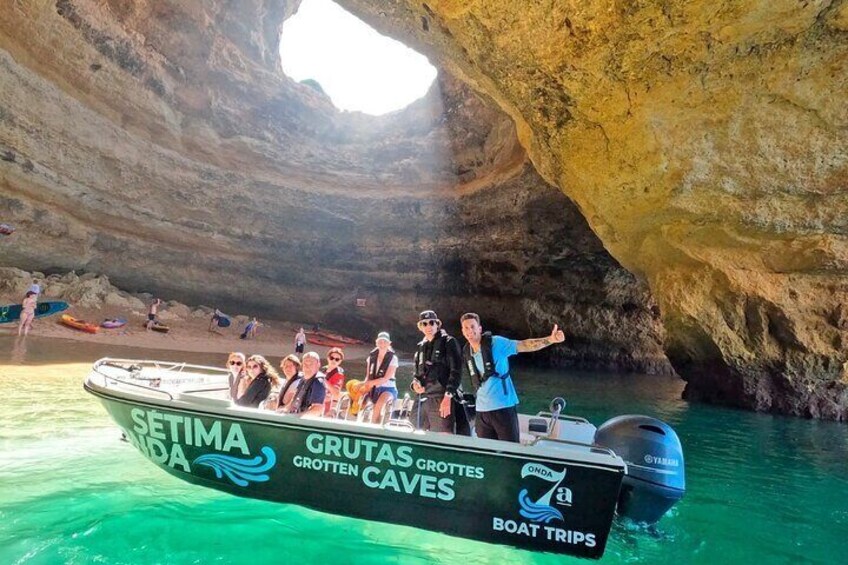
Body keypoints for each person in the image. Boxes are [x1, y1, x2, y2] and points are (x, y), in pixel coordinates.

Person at [460, 313, 565, 443]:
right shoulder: (467, 351)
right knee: (486, 451)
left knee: (509, 448)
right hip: (481, 410)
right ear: (462, 331)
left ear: (480, 328)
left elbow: (525, 345)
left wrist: (550, 339)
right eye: (466, 328)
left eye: (473, 326)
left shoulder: (496, 343)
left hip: (503, 407)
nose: (470, 330)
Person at [410, 310, 466, 434]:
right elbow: (417, 374)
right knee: (415, 430)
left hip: (441, 398)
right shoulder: (420, 347)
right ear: (420, 327)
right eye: (424, 324)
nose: (428, 326)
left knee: (443, 435)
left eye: (431, 323)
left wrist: (448, 397)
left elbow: (456, 371)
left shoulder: (449, 342)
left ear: (437, 324)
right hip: (422, 398)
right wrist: (415, 385)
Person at [357, 332, 398, 424]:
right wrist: (362, 384)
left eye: (385, 341)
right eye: (380, 341)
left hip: (388, 389)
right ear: (376, 343)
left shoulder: (393, 358)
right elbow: (368, 377)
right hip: (373, 389)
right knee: (363, 406)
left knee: (378, 407)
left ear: (389, 343)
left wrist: (370, 383)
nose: (382, 344)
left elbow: (385, 378)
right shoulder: (371, 358)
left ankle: (374, 430)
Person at [284, 351, 326, 416]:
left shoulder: (318, 383)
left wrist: (297, 417)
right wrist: (284, 410)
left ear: (318, 365)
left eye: (311, 364)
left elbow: (317, 409)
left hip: (306, 422)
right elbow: (294, 401)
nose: (307, 367)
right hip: (296, 415)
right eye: (305, 364)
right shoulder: (302, 379)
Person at [322, 347, 346, 416]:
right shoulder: (323, 369)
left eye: (337, 359)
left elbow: (336, 393)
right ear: (328, 358)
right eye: (331, 358)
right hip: (319, 402)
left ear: (340, 361)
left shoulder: (339, 374)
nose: (334, 361)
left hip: (329, 405)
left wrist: (323, 380)